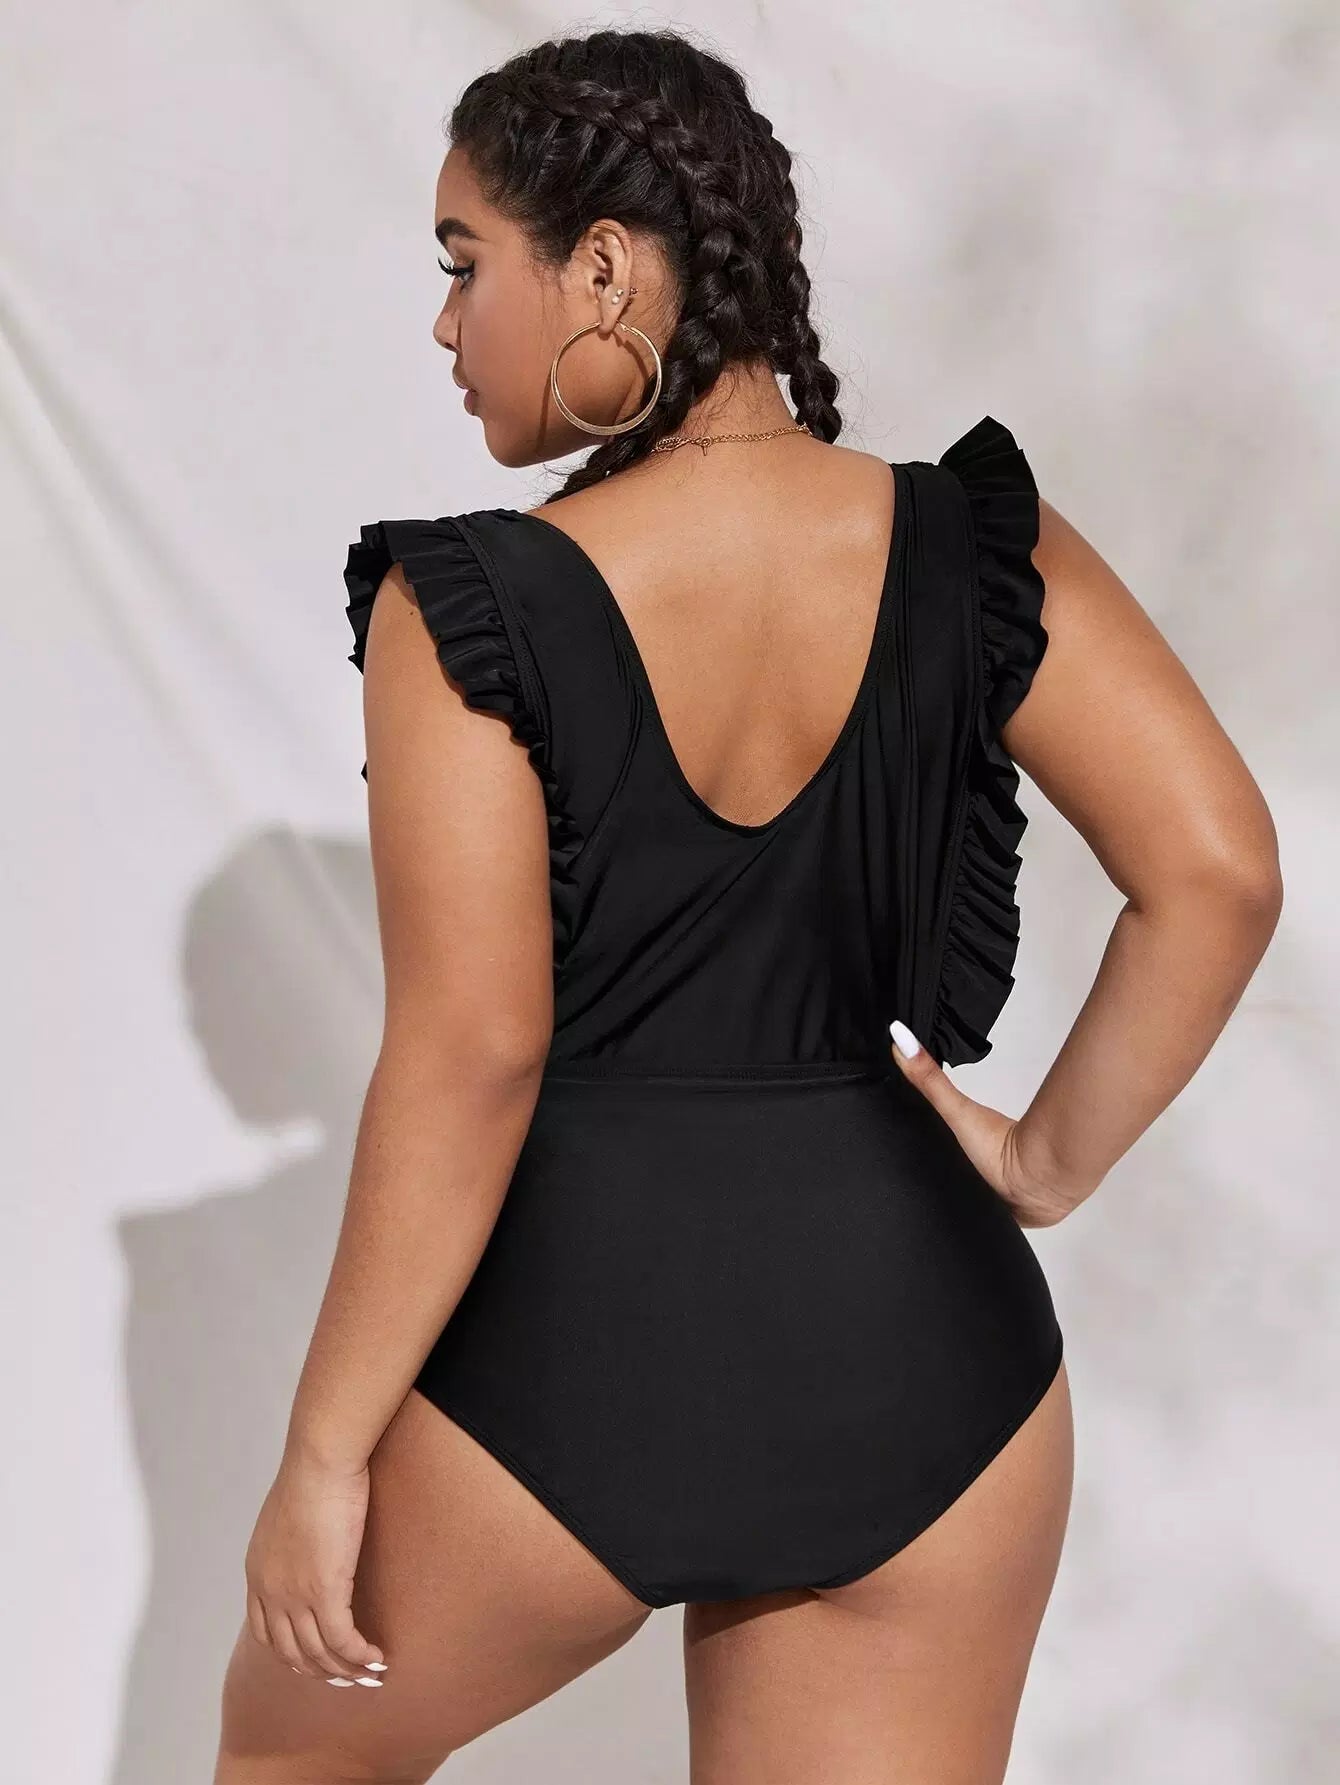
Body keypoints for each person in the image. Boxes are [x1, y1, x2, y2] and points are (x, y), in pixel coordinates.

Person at [211, 26, 1283, 1785]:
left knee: (286, 1760)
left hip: (584, 1355)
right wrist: (1040, 1164)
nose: (445, 324)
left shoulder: (468, 606)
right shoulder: (974, 547)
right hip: (928, 1374)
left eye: (465, 264)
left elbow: (477, 1053)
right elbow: (1220, 870)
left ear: (603, 270)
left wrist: (324, 1454)